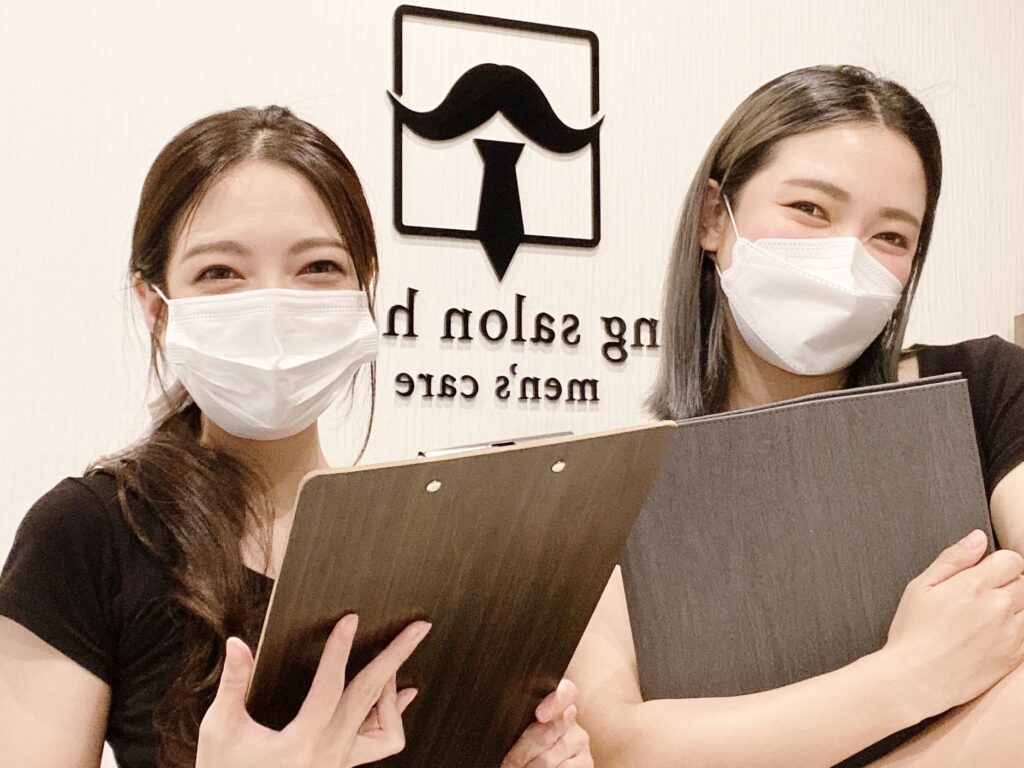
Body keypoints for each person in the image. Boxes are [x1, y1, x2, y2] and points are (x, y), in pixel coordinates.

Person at [0, 106, 592, 768]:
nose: (274, 307)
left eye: (317, 267)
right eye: (220, 272)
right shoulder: (87, 536)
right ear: (154, 305)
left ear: (364, 287)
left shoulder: (433, 539)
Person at [568, 65, 1024, 767]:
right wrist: (909, 675)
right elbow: (619, 748)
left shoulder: (986, 391)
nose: (846, 257)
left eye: (892, 237)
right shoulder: (616, 481)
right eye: (811, 209)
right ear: (714, 217)